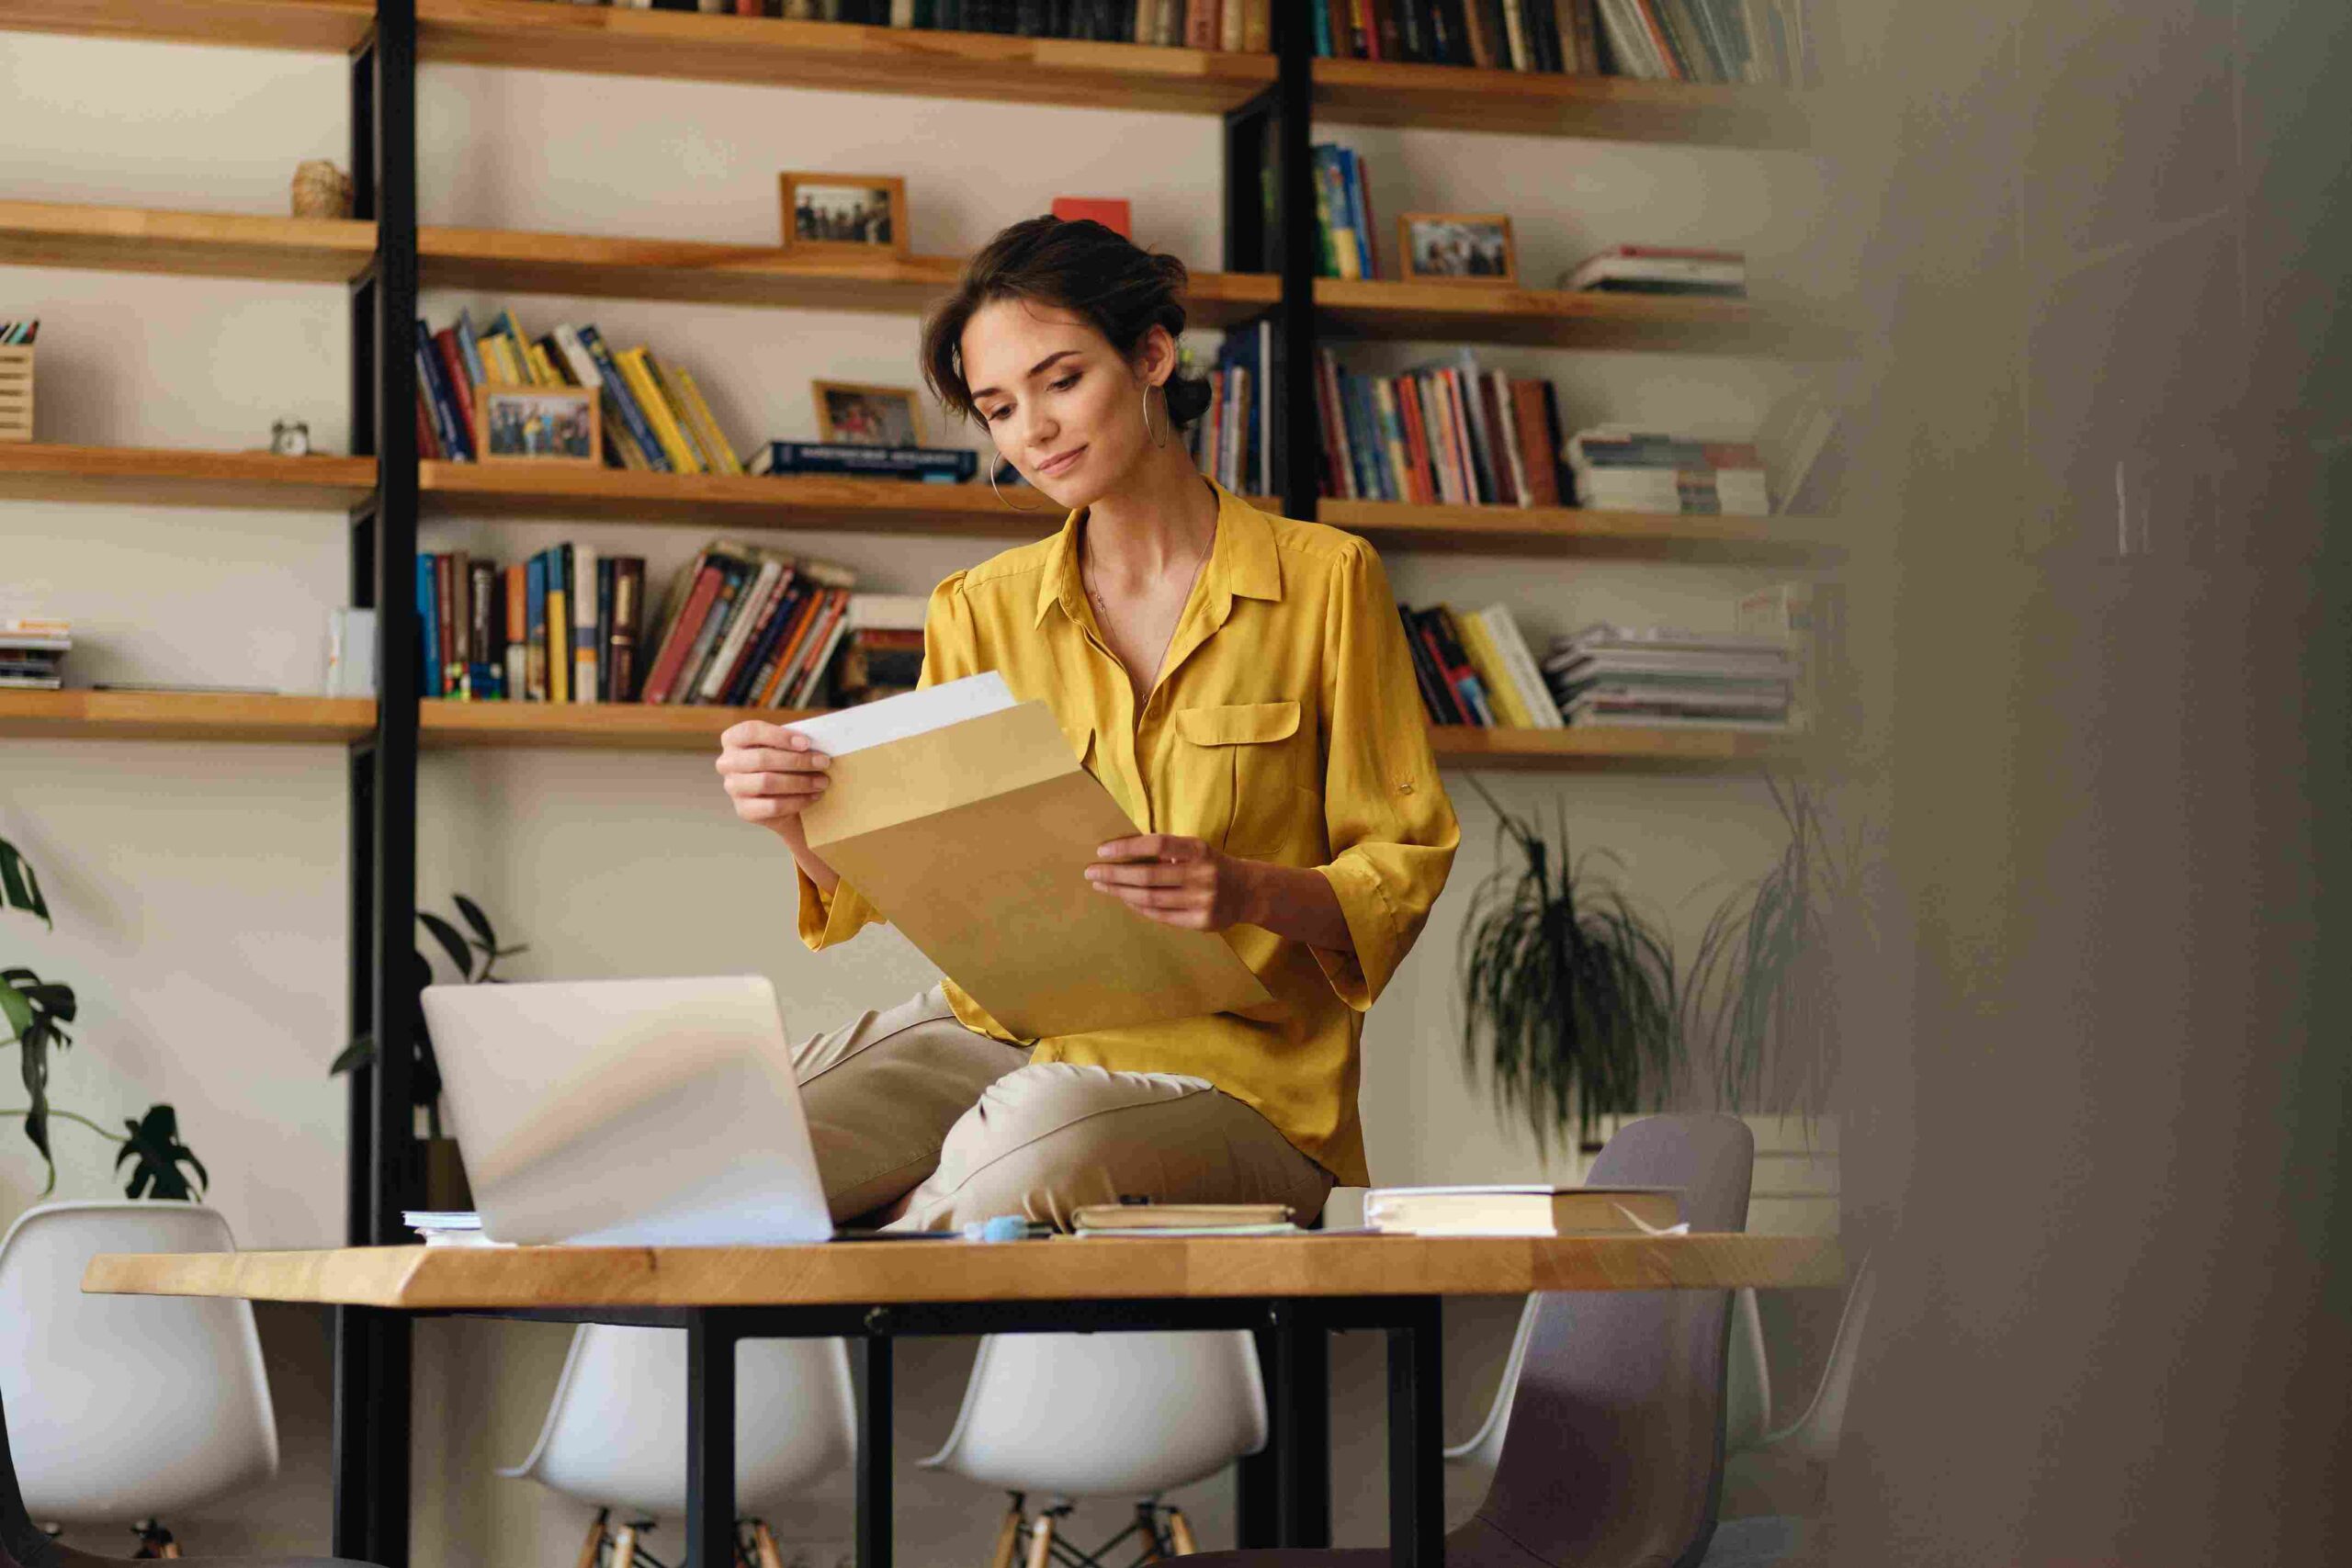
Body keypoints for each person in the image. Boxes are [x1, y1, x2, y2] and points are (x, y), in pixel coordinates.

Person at [714, 216, 1459, 1231]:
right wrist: (790, 818)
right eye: (999, 408)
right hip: (1002, 1037)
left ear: (1150, 354)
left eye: (1061, 381)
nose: (1033, 431)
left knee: (1027, 1143)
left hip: (1245, 1080)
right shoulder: (975, 607)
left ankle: (899, 1258)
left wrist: (1242, 888)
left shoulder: (1327, 582)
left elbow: (1401, 868)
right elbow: (926, 876)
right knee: (724, 1142)